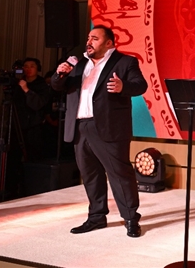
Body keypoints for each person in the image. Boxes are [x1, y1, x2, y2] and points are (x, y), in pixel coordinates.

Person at [51, 25, 147, 238]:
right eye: (88, 38)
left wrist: (123, 87)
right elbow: (57, 86)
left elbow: (140, 85)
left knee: (119, 174)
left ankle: (131, 218)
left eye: (94, 38)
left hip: (109, 127)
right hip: (80, 126)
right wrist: (60, 74)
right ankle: (96, 217)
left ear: (109, 43)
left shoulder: (125, 62)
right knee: (90, 174)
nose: (89, 42)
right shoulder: (79, 63)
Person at [11, 58, 51, 162]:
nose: (28, 69)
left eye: (32, 66)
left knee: (33, 157)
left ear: (38, 68)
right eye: (26, 66)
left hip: (33, 127)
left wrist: (26, 90)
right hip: (17, 125)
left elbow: (38, 104)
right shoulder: (18, 83)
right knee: (13, 156)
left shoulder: (42, 85)